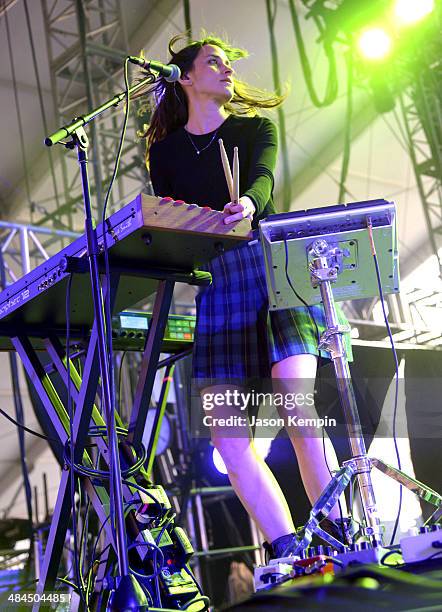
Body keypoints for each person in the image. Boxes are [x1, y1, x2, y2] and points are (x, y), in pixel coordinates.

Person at [141, 34, 353, 558]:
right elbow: (174, 214)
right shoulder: (165, 153)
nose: (226, 67)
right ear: (185, 77)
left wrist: (250, 206)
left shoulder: (255, 128)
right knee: (229, 442)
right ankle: (288, 549)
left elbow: (260, 177)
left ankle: (337, 533)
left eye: (228, 60)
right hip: (217, 280)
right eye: (214, 60)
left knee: (297, 408)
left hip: (270, 264)